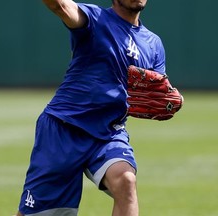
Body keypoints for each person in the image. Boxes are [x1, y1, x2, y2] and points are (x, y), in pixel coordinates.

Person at [15, 0, 166, 215]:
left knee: (126, 181)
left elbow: (159, 91)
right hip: (65, 127)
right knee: (40, 212)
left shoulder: (153, 44)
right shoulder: (95, 19)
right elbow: (61, 6)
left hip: (108, 133)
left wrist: (172, 98)